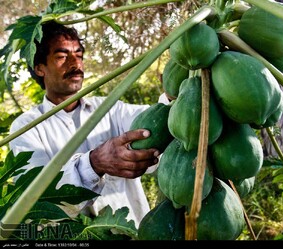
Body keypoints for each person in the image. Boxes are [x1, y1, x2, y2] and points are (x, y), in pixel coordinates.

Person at [9, 20, 166, 228]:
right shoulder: (26, 128)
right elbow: (39, 203)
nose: (76, 64)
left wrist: (172, 98)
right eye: (62, 56)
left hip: (134, 232)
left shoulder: (110, 108)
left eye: (79, 55)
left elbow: (156, 118)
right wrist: (94, 164)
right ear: (39, 68)